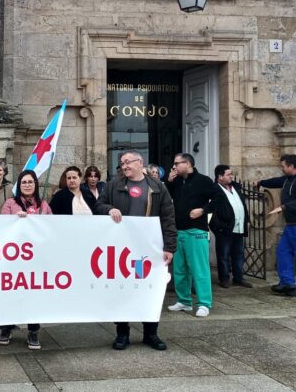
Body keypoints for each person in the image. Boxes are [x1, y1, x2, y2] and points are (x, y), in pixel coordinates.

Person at [95, 150, 176, 351]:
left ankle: (151, 333)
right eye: (122, 163)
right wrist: (108, 210)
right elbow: (99, 205)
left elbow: (168, 217)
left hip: (147, 251)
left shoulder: (157, 186)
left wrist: (169, 247)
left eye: (128, 162)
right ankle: (122, 334)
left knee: (148, 288)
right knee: (123, 288)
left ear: (140, 163)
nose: (124, 166)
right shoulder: (114, 184)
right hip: (123, 249)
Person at [0, 170, 52, 350]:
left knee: (34, 295)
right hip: (14, 259)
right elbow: (2, 226)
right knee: (10, 293)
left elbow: (51, 227)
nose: (27, 185)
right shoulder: (11, 203)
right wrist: (15, 219)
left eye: (30, 182)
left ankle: (33, 331)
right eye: (23, 182)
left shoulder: (43, 205)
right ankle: (6, 327)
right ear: (19, 186)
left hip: (36, 259)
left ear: (35, 184)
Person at [165, 153, 219, 318]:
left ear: (187, 164)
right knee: (180, 269)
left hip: (196, 231)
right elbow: (166, 198)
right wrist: (168, 181)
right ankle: (184, 301)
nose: (174, 167)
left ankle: (204, 303)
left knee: (199, 269)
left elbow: (219, 199)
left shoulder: (204, 181)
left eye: (176, 163)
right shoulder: (177, 181)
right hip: (179, 230)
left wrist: (203, 210)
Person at [258, 154, 296, 297]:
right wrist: (261, 182)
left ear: (291, 166)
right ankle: (287, 282)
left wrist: (283, 207)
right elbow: (276, 181)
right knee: (283, 251)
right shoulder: (288, 179)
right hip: (291, 224)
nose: (282, 168)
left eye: (283, 166)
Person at [210, 165, 252, 289]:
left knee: (239, 254)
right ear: (220, 176)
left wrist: (247, 220)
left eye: (231, 174)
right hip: (224, 229)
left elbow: (243, 205)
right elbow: (210, 211)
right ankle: (224, 279)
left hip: (239, 227)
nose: (231, 176)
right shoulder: (213, 190)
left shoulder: (236, 187)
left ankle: (238, 278)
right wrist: (218, 227)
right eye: (228, 174)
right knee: (223, 255)